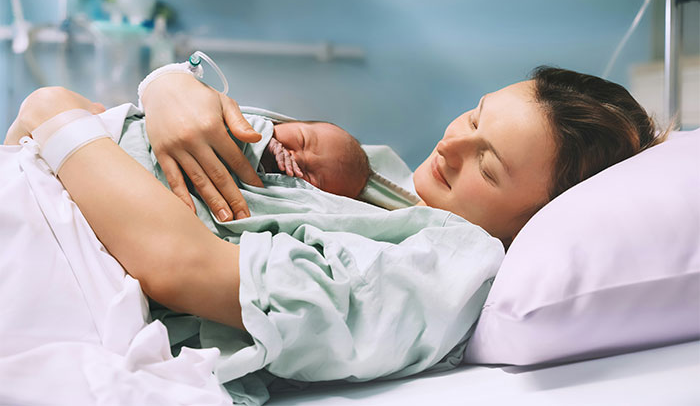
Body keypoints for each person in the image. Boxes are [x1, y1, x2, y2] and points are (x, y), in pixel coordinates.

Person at [4, 66, 667, 403]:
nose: (453, 143)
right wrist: (168, 85)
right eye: (474, 115)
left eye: (487, 166)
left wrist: (51, 112)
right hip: (52, 185)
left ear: (534, 221)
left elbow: (184, 265)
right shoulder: (399, 188)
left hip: (67, 244)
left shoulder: (440, 277)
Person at [261, 121, 370, 199]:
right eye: (302, 141)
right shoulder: (250, 122)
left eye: (310, 177)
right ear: (280, 123)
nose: (297, 159)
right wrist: (261, 138)